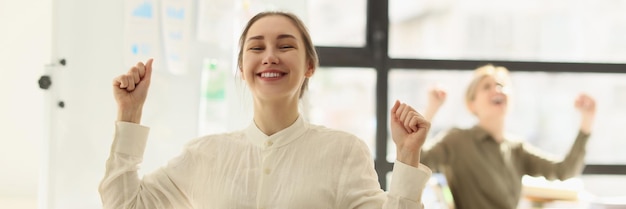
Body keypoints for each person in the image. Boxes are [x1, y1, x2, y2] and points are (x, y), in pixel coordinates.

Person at [99, 11, 432, 209]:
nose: (270, 56)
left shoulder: (343, 151)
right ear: (243, 69)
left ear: (309, 67)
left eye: (285, 46)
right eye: (256, 47)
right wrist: (130, 114)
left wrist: (406, 156)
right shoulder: (205, 154)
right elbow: (125, 204)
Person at [420, 64, 596, 209]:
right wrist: (431, 110)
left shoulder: (516, 149)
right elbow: (419, 161)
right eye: (486, 86)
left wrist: (586, 122)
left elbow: (564, 171)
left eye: (501, 86)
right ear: (471, 104)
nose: (497, 89)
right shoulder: (457, 141)